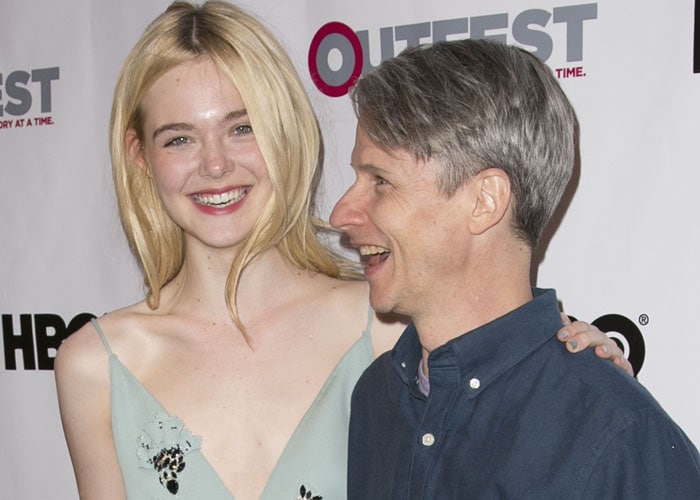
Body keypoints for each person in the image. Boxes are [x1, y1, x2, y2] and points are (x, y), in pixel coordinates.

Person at [54, 3, 631, 500]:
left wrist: (580, 362)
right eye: (178, 138)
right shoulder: (95, 367)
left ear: (285, 130)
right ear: (140, 156)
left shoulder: (387, 326)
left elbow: (515, 374)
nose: (213, 164)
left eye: (242, 127)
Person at [332, 37, 700, 499]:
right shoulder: (377, 398)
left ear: (484, 202)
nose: (341, 214)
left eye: (380, 181)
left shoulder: (616, 436)